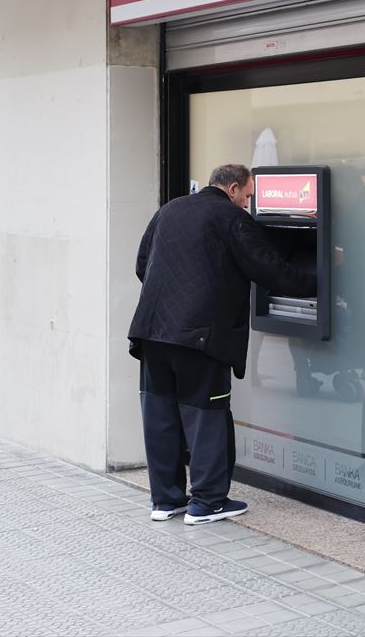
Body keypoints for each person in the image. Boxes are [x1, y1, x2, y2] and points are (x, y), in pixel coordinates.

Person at [128, 164, 316, 525]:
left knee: (160, 417)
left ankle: (165, 501)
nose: (248, 204)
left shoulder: (170, 209)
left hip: (152, 332)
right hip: (201, 337)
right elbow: (269, 269)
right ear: (232, 189)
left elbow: (142, 264)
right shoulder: (231, 218)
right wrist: (316, 283)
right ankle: (208, 502)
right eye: (247, 196)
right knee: (206, 418)